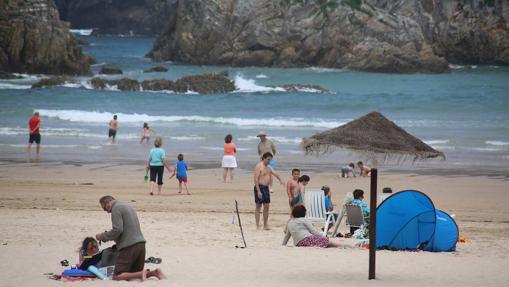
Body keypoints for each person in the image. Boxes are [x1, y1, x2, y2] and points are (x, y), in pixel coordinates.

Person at [95, 196, 165, 281]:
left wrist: (102, 236)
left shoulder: (116, 209)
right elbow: (127, 229)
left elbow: (118, 230)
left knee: (117, 276)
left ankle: (142, 273)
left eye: (104, 207)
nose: (105, 211)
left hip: (129, 246)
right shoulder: (128, 207)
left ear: (108, 202)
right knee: (133, 274)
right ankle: (154, 272)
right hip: (141, 244)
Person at [254, 152, 283, 230]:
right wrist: (258, 191)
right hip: (259, 187)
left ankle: (265, 225)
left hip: (266, 188)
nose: (269, 161)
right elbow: (256, 179)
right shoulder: (258, 166)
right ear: (263, 158)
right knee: (258, 206)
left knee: (266, 206)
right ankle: (257, 225)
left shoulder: (269, 167)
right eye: (268, 159)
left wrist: (280, 180)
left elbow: (275, 173)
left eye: (270, 160)